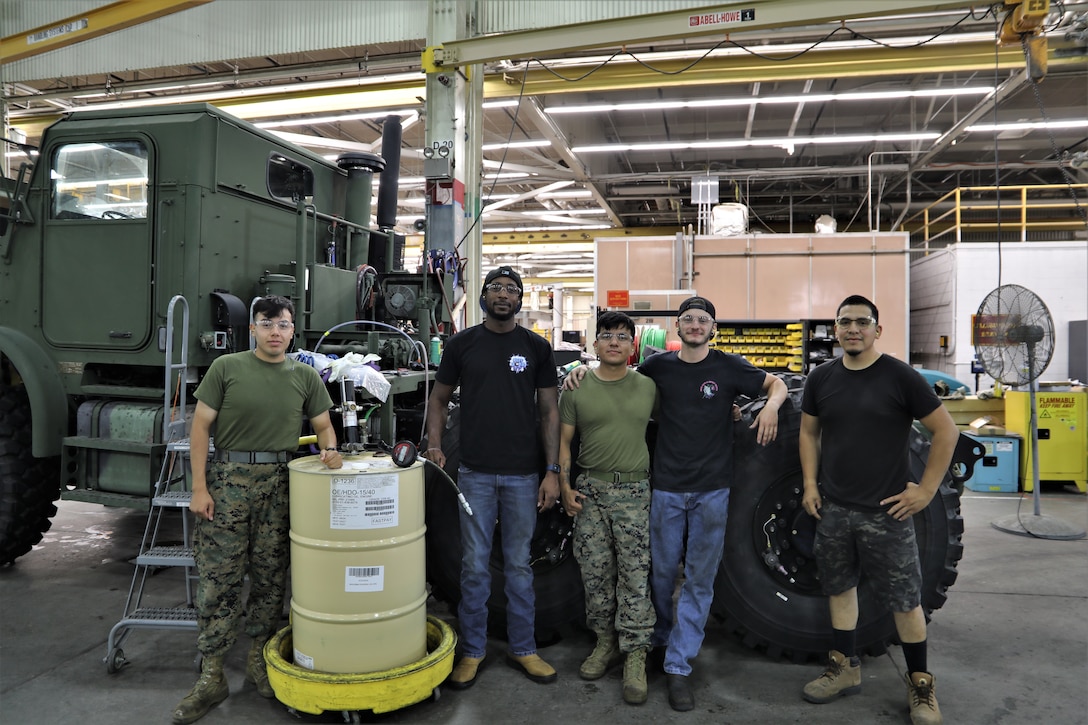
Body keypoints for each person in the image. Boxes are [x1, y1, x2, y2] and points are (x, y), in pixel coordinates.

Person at [565, 296, 787, 711]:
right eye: (688, 319)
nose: (695, 324)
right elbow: (616, 376)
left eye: (703, 319)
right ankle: (660, 644)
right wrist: (580, 371)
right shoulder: (656, 368)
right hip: (664, 490)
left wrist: (770, 407)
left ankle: (679, 666)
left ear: (713, 328)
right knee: (660, 578)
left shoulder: (728, 367)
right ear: (678, 328)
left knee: (699, 582)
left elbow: (776, 384)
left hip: (712, 491)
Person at [172, 295, 342, 725]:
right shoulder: (226, 369)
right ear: (252, 329)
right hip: (227, 482)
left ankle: (258, 663)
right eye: (266, 324)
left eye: (282, 325)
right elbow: (200, 428)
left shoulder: (305, 377)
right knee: (219, 580)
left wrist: (331, 451)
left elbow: (324, 426)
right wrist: (198, 487)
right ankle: (211, 677)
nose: (275, 332)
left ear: (291, 331)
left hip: (280, 487)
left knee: (271, 579)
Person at [799, 295, 958, 725]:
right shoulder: (821, 378)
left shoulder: (899, 377)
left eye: (862, 322)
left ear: (877, 330)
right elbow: (808, 433)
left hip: (886, 515)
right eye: (845, 322)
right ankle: (845, 669)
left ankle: (921, 685)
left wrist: (926, 491)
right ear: (835, 329)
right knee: (839, 589)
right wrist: (811, 484)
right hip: (833, 510)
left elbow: (946, 430)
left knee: (905, 602)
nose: (853, 329)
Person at [424, 266, 561, 690]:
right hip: (475, 474)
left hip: (523, 475)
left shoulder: (536, 347)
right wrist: (433, 443)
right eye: (496, 288)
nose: (503, 295)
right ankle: (473, 652)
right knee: (475, 567)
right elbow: (440, 398)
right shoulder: (462, 344)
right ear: (483, 296)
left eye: (511, 289)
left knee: (519, 566)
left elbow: (549, 411)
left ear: (521, 299)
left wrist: (552, 471)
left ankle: (524, 649)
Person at [558, 311, 659, 705]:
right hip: (590, 491)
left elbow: (684, 417)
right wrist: (565, 486)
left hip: (634, 492)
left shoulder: (649, 386)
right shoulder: (576, 388)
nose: (614, 342)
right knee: (596, 573)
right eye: (606, 336)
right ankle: (605, 643)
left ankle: (636, 654)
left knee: (635, 574)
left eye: (622, 336)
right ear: (594, 345)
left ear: (632, 346)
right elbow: (564, 444)